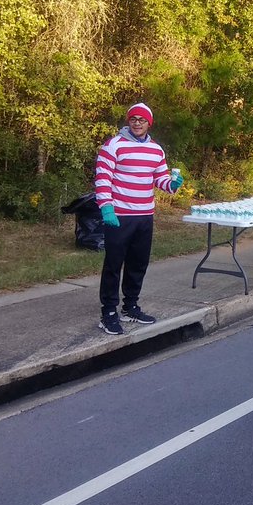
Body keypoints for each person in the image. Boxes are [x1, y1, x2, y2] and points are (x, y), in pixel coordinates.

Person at [96, 103, 184, 335]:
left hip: (145, 216)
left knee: (138, 264)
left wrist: (172, 185)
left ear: (149, 123)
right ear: (128, 121)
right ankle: (109, 313)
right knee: (113, 265)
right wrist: (106, 209)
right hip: (119, 216)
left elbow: (160, 180)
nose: (137, 123)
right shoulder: (113, 145)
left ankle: (130, 307)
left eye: (141, 120)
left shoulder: (156, 150)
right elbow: (103, 178)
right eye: (133, 119)